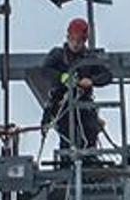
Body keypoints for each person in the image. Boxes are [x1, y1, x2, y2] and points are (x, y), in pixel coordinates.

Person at [41, 17, 113, 152]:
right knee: (67, 134)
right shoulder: (58, 55)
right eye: (72, 40)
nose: (75, 44)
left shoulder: (89, 59)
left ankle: (90, 157)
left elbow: (107, 75)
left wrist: (92, 81)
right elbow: (45, 70)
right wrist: (63, 78)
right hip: (63, 104)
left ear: (84, 41)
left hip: (84, 104)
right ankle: (66, 161)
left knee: (90, 130)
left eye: (79, 41)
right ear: (68, 37)